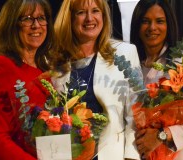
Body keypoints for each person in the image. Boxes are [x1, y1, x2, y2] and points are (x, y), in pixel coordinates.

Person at [52, 0, 141, 159]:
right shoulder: (55, 62)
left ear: (104, 16)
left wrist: (131, 156)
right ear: (70, 18)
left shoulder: (125, 53)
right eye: (81, 12)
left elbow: (135, 115)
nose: (89, 18)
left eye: (95, 11)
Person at [130, 0, 183, 159]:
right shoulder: (130, 68)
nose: (152, 27)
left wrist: (162, 135)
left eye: (159, 21)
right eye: (145, 21)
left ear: (169, 24)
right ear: (137, 25)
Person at [0, 0, 55, 159]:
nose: (36, 25)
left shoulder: (45, 71)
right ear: (12, 24)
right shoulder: (0, 66)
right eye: (27, 19)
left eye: (41, 18)